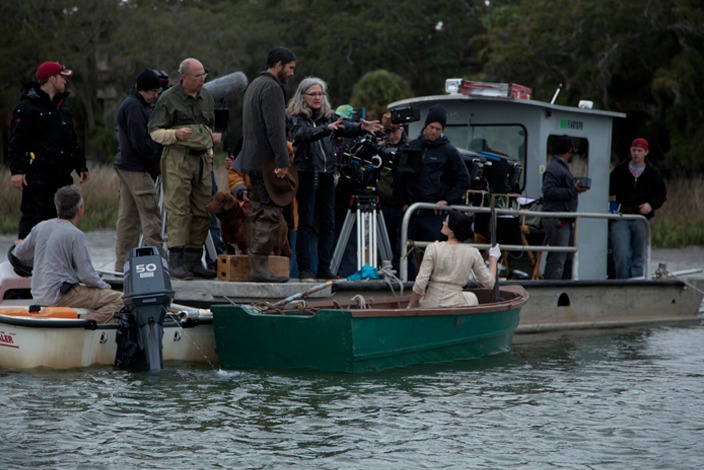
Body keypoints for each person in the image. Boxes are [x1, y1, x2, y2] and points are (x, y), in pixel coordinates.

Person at [287, 77, 382, 280]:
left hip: (327, 173)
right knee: (306, 223)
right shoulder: (296, 118)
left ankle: (324, 267)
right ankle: (305, 270)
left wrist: (360, 127)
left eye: (320, 94)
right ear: (302, 96)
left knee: (328, 223)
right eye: (313, 94)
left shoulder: (329, 117)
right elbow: (302, 134)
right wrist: (324, 130)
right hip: (306, 173)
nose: (317, 98)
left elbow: (344, 127)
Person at [148, 58, 219, 280]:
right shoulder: (168, 98)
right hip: (178, 158)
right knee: (179, 210)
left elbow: (209, 128)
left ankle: (194, 259)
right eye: (198, 76)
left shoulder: (206, 96)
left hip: (202, 160)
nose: (202, 80)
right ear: (184, 77)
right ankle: (176, 260)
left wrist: (209, 157)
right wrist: (174, 135)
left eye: (203, 75)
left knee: (202, 209)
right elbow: (154, 131)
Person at [12, 185, 124, 324]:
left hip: (39, 294)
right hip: (60, 296)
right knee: (121, 300)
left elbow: (19, 253)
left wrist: (19, 244)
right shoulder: (76, 234)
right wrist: (106, 287)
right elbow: (86, 275)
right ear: (79, 209)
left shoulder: (41, 227)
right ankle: (82, 323)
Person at [8, 61, 89, 239]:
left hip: (61, 177)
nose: (65, 82)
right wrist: (17, 171)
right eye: (62, 77)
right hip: (37, 177)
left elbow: (71, 141)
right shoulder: (27, 107)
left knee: (63, 221)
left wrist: (80, 165)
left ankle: (60, 259)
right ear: (51, 79)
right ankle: (23, 259)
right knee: (33, 220)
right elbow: (16, 142)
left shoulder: (64, 109)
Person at [241, 46, 298, 282]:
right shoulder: (273, 88)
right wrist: (283, 162)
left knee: (257, 212)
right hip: (266, 163)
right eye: (291, 68)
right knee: (270, 214)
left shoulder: (255, 84)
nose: (292, 73)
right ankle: (259, 269)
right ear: (279, 65)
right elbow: (276, 128)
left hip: (251, 159)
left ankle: (257, 266)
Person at [395, 104, 471, 278]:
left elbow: (463, 178)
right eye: (431, 127)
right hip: (411, 211)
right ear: (425, 126)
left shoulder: (449, 151)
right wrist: (403, 202)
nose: (434, 132)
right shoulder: (412, 146)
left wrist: (447, 200)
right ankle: (408, 282)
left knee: (435, 252)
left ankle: (435, 282)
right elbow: (399, 176)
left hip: (434, 213)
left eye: (438, 129)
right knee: (404, 249)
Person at [114, 69, 165, 273]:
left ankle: (122, 266)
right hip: (137, 168)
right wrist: (155, 159)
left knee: (128, 218)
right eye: (153, 91)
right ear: (142, 90)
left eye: (158, 91)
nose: (156, 95)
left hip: (125, 166)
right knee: (151, 214)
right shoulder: (135, 107)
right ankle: (159, 265)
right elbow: (140, 142)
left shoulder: (132, 104)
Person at [407, 210, 500, 309]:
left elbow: (420, 284)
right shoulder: (473, 253)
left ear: (452, 229)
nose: (443, 223)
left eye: (446, 222)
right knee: (472, 297)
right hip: (455, 303)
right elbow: (489, 283)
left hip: (430, 303)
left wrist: (410, 306)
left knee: (470, 296)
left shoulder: (433, 248)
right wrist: (493, 258)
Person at [609, 137, 667, 279]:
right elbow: (608, 188)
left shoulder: (653, 173)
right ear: (630, 151)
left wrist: (651, 205)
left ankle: (636, 283)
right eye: (634, 150)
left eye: (639, 151)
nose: (636, 153)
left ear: (646, 153)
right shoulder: (621, 169)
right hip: (623, 216)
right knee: (621, 254)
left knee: (639, 255)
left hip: (643, 218)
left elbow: (662, 195)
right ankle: (622, 283)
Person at [541, 135, 590, 280]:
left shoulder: (557, 167)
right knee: (558, 258)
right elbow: (548, 191)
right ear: (569, 151)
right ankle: (552, 287)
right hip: (557, 219)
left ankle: (564, 285)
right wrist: (573, 190)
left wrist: (572, 188)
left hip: (563, 218)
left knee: (567, 256)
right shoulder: (555, 169)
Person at [376, 112, 409, 275]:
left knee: (400, 244)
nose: (391, 135)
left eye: (394, 131)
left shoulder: (409, 149)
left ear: (402, 129)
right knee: (382, 242)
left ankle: (401, 274)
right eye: (387, 131)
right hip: (382, 203)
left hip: (402, 205)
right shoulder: (379, 148)